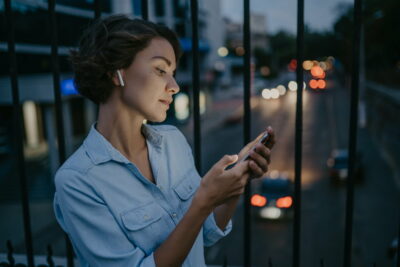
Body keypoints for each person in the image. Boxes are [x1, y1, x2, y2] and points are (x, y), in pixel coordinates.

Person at [53, 14, 275, 267]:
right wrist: (202, 203)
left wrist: (235, 182)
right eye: (161, 70)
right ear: (116, 72)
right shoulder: (77, 180)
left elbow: (208, 233)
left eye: (173, 73)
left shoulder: (172, 141)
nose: (174, 86)